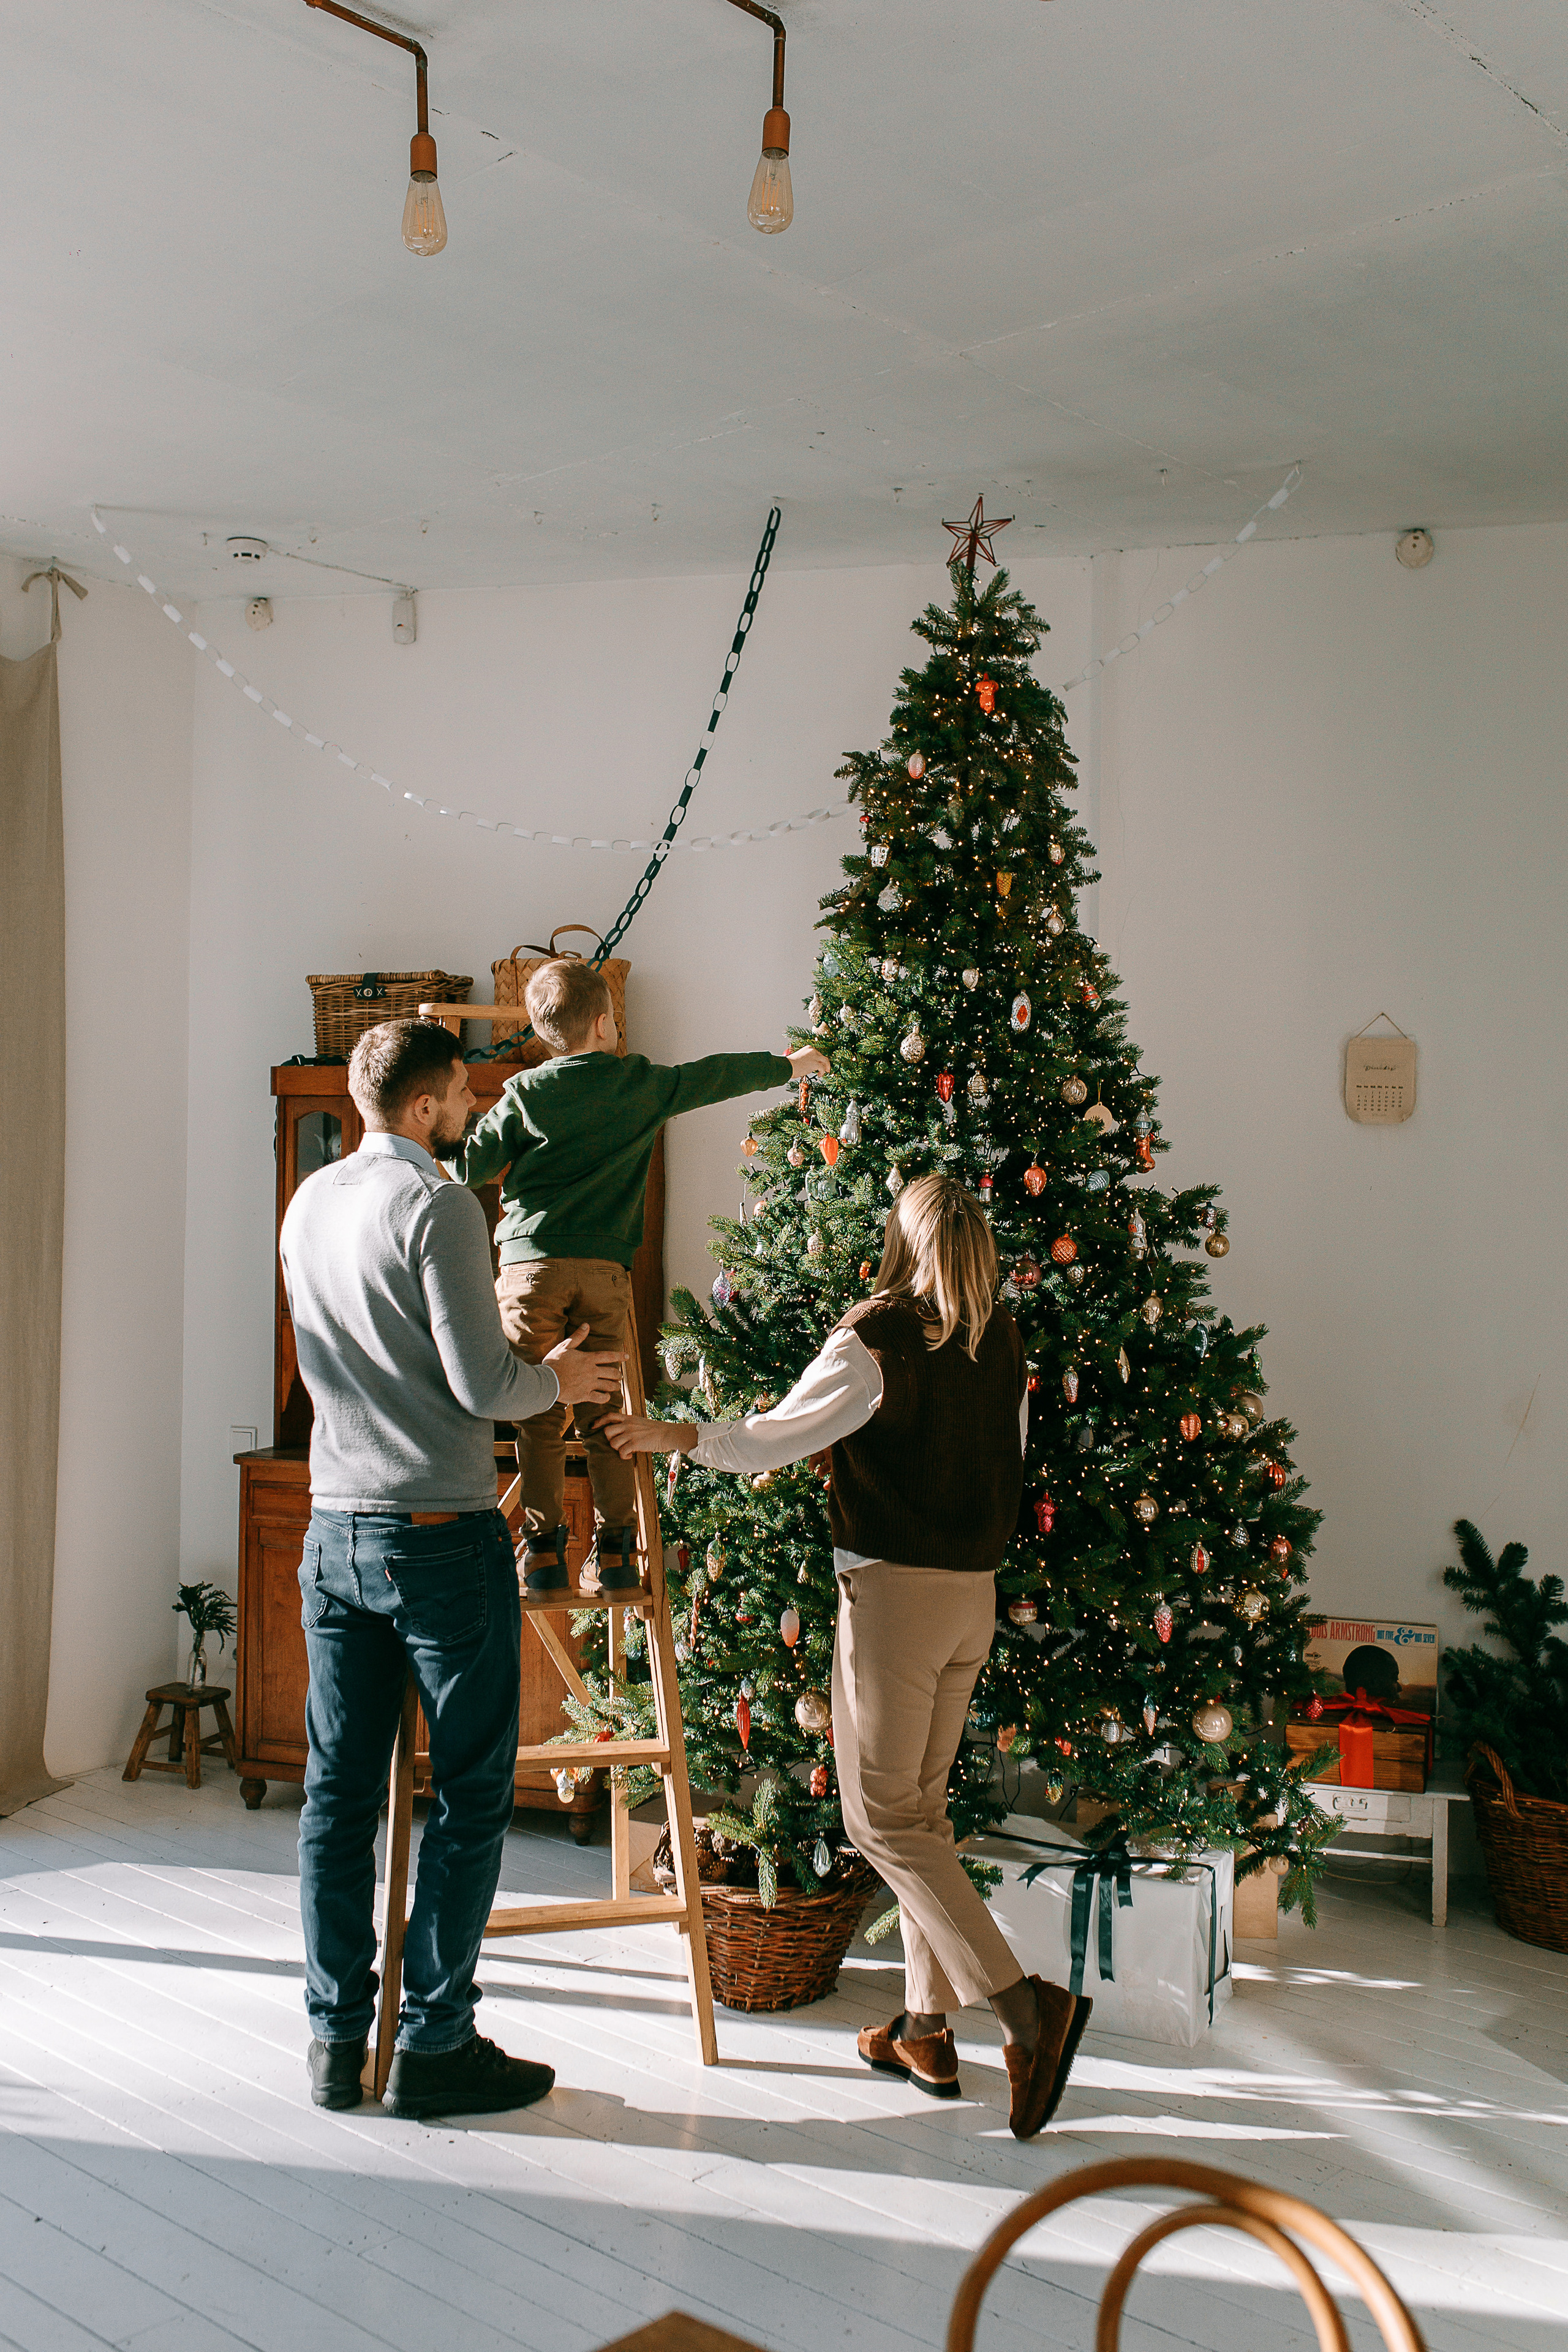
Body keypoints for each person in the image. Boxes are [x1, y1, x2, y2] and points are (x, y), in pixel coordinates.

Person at [603, 1173, 1093, 2141]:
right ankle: (924, 2028)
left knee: (881, 1823)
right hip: (973, 1598)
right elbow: (1008, 1457)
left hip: (897, 1599)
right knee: (922, 1815)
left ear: (903, 1240)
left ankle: (1027, 2010)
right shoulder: (1001, 1338)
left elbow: (777, 1437)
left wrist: (680, 1436)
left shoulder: (881, 1337)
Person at [279, 1017, 622, 2122]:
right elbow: (484, 1386)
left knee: (337, 1796)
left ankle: (337, 2042)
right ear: (425, 1105)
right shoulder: (439, 1205)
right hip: (437, 1534)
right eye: (467, 1094)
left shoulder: (310, 1201)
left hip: (334, 1528)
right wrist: (561, 1380)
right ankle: (434, 2045)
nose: (475, 1110)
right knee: (472, 1795)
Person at [441, 956, 829, 1594]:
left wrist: (448, 1134)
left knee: (538, 1411)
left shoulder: (526, 1092)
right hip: (604, 1274)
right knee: (605, 1416)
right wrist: (790, 1065)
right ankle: (618, 1553)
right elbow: (715, 1076)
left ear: (545, 1034)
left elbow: (469, 1169)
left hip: (531, 1271)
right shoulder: (640, 1084)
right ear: (604, 1024)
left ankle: (542, 1556)